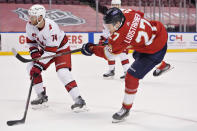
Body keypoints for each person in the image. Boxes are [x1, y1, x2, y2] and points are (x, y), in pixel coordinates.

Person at [81, 7, 169, 122]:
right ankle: (162, 65)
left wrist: (92, 49)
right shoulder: (127, 12)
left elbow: (109, 54)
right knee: (136, 56)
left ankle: (126, 108)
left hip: (154, 49)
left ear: (117, 23)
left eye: (109, 26)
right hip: (158, 31)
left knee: (131, 77)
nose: (107, 28)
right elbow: (139, 14)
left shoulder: (119, 37)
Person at [26, 4, 86, 111]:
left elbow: (51, 51)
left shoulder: (51, 26)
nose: (30, 19)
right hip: (47, 49)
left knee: (62, 73)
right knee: (30, 66)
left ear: (40, 17)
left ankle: (79, 100)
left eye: (33, 16)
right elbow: (31, 42)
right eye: (30, 16)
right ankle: (41, 96)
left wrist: (39, 65)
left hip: (61, 49)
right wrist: (35, 56)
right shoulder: (29, 26)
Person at [99, 0, 130, 79]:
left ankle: (127, 72)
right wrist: (103, 38)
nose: (115, 6)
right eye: (114, 4)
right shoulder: (109, 14)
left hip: (122, 39)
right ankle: (111, 71)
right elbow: (106, 28)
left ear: (120, 5)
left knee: (123, 55)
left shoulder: (126, 13)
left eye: (117, 4)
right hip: (112, 39)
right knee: (110, 54)